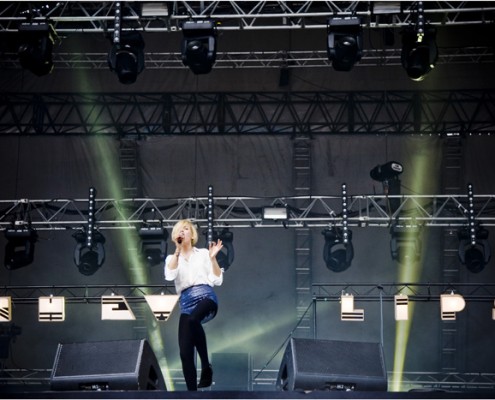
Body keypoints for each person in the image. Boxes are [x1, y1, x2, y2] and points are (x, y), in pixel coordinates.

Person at [164, 219, 224, 391]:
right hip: (186, 303)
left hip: (206, 297)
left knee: (192, 321)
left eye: (185, 229)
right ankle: (192, 394)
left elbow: (217, 280)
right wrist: (177, 251)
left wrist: (212, 259)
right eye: (179, 230)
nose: (182, 232)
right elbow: (169, 275)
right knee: (184, 353)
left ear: (192, 235)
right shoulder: (171, 257)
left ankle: (206, 366)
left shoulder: (204, 253)